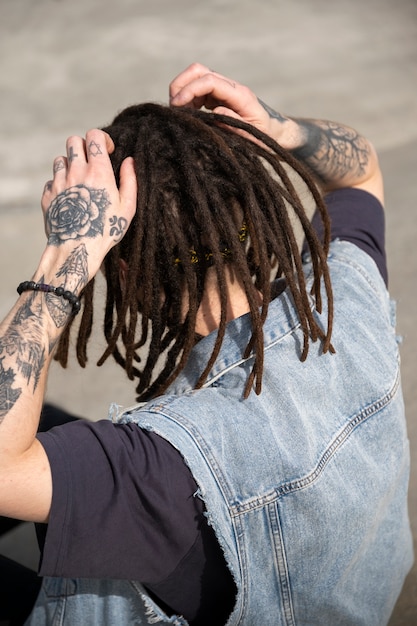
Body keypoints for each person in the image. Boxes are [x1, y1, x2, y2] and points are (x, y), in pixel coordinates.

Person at [0, 62, 412, 625]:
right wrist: (281, 129)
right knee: (44, 424)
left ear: (125, 274)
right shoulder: (349, 291)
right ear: (255, 214)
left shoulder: (161, 470)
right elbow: (359, 169)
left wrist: (65, 257)